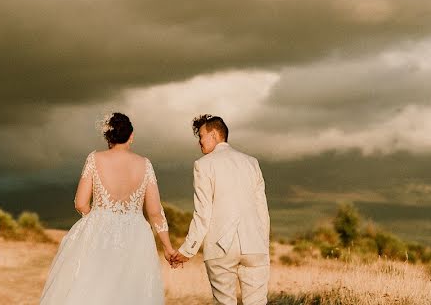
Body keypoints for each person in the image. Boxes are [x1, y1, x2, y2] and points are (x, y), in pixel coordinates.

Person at [39, 112, 175, 304]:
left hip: (99, 231)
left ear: (108, 137)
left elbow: (81, 203)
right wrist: (168, 247)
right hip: (136, 235)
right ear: (131, 135)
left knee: (94, 289)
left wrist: (97, 217)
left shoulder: (95, 159)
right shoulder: (145, 165)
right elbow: (154, 212)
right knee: (131, 292)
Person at [169, 115, 270, 305]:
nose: (199, 142)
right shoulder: (251, 162)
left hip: (220, 248)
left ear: (214, 135)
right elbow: (262, 210)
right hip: (255, 246)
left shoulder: (203, 165)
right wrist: (263, 245)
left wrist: (187, 251)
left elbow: (203, 214)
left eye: (201, 136)